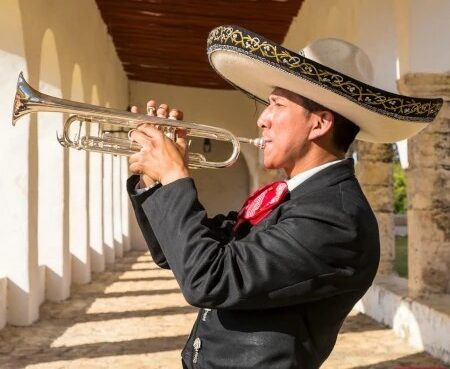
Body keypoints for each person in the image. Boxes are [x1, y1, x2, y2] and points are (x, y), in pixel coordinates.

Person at [127, 25, 443, 369]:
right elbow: (177, 254)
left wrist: (175, 176)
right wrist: (153, 180)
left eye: (276, 105)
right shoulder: (294, 197)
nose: (262, 119)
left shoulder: (334, 217)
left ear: (319, 124)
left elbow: (209, 278)